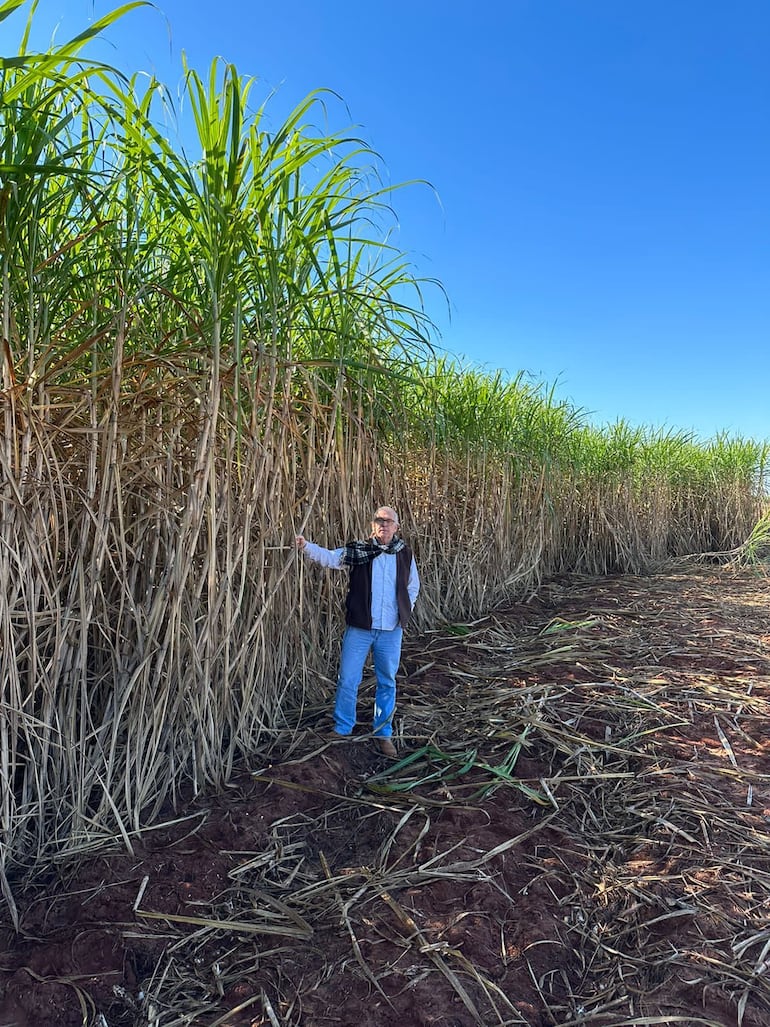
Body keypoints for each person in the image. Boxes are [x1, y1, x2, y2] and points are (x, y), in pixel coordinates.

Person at [295, 506, 420, 756]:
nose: (383, 525)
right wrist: (306, 546)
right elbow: (331, 558)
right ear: (373, 525)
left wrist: (403, 612)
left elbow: (412, 586)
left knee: (387, 681)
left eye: (388, 521)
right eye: (379, 521)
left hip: (390, 631)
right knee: (348, 679)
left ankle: (383, 733)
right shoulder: (360, 551)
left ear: (397, 527)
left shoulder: (405, 554)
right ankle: (343, 728)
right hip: (360, 628)